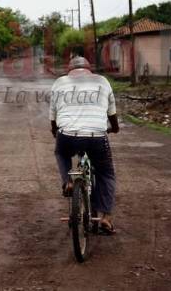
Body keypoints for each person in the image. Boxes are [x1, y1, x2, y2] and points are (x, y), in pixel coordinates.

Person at [50, 55, 119, 234]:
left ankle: (68, 182)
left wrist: (55, 132)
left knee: (61, 152)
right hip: (96, 135)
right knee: (106, 173)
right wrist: (115, 128)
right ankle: (106, 218)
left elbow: (53, 116)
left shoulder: (59, 82)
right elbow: (112, 113)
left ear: (69, 71)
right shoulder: (102, 81)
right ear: (89, 70)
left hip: (68, 135)